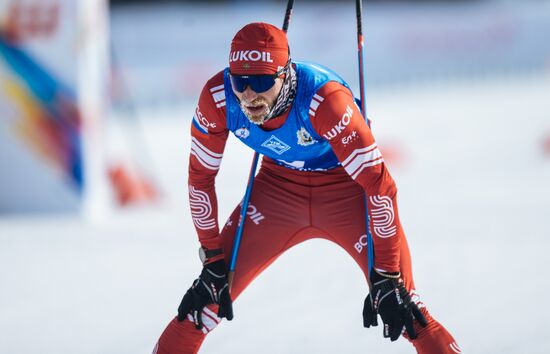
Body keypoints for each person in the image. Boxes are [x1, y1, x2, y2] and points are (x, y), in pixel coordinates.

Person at [153, 22, 460, 354]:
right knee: (203, 305)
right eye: (240, 81)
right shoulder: (218, 97)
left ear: (285, 74)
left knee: (405, 310)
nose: (249, 95)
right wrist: (212, 257)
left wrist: (386, 273)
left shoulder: (325, 101)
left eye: (260, 81)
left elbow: (378, 185)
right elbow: (200, 179)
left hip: (347, 189)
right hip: (276, 192)